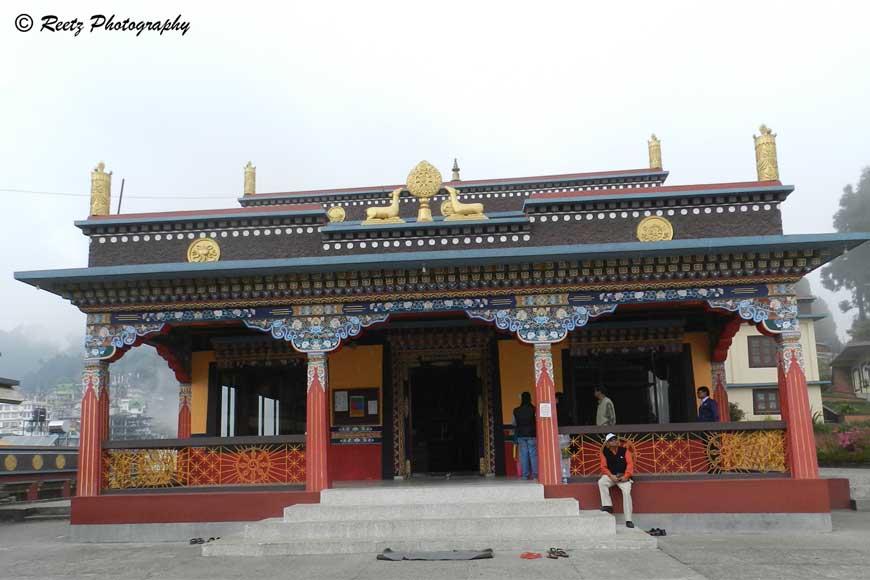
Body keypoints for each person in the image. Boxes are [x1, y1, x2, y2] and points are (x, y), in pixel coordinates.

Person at [598, 433, 635, 528]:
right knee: (601, 482)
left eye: (615, 439)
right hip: (612, 476)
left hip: (624, 477)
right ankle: (607, 505)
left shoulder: (625, 451)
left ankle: (628, 520)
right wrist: (611, 476)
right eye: (611, 440)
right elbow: (603, 467)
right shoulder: (604, 453)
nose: (614, 441)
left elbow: (630, 465)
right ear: (608, 443)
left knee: (626, 492)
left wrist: (626, 476)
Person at [513, 391, 537, 480]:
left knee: (523, 455)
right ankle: (535, 475)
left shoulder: (516, 410)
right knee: (533, 455)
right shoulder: (534, 409)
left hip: (521, 435)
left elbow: (514, 423)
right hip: (532, 435)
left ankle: (525, 475)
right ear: (530, 399)